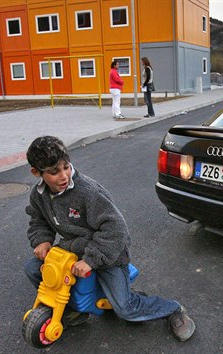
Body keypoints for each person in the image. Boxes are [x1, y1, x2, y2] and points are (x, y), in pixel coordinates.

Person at [23, 136, 196, 342]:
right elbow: (38, 218)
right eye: (54, 172)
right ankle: (74, 310)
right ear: (36, 173)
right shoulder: (39, 194)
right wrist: (42, 239)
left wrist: (90, 260)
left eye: (66, 167)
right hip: (72, 250)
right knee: (34, 269)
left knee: (125, 309)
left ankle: (173, 310)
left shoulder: (87, 192)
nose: (63, 176)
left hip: (107, 253)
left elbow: (116, 229)